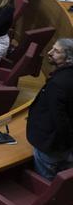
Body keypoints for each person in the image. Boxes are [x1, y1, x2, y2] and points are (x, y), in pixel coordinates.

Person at [26, 39, 73, 180]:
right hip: (65, 147)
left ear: (69, 58)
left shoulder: (58, 83)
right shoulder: (65, 76)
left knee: (47, 182)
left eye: (56, 51)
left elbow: (60, 119)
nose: (49, 53)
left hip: (52, 147)